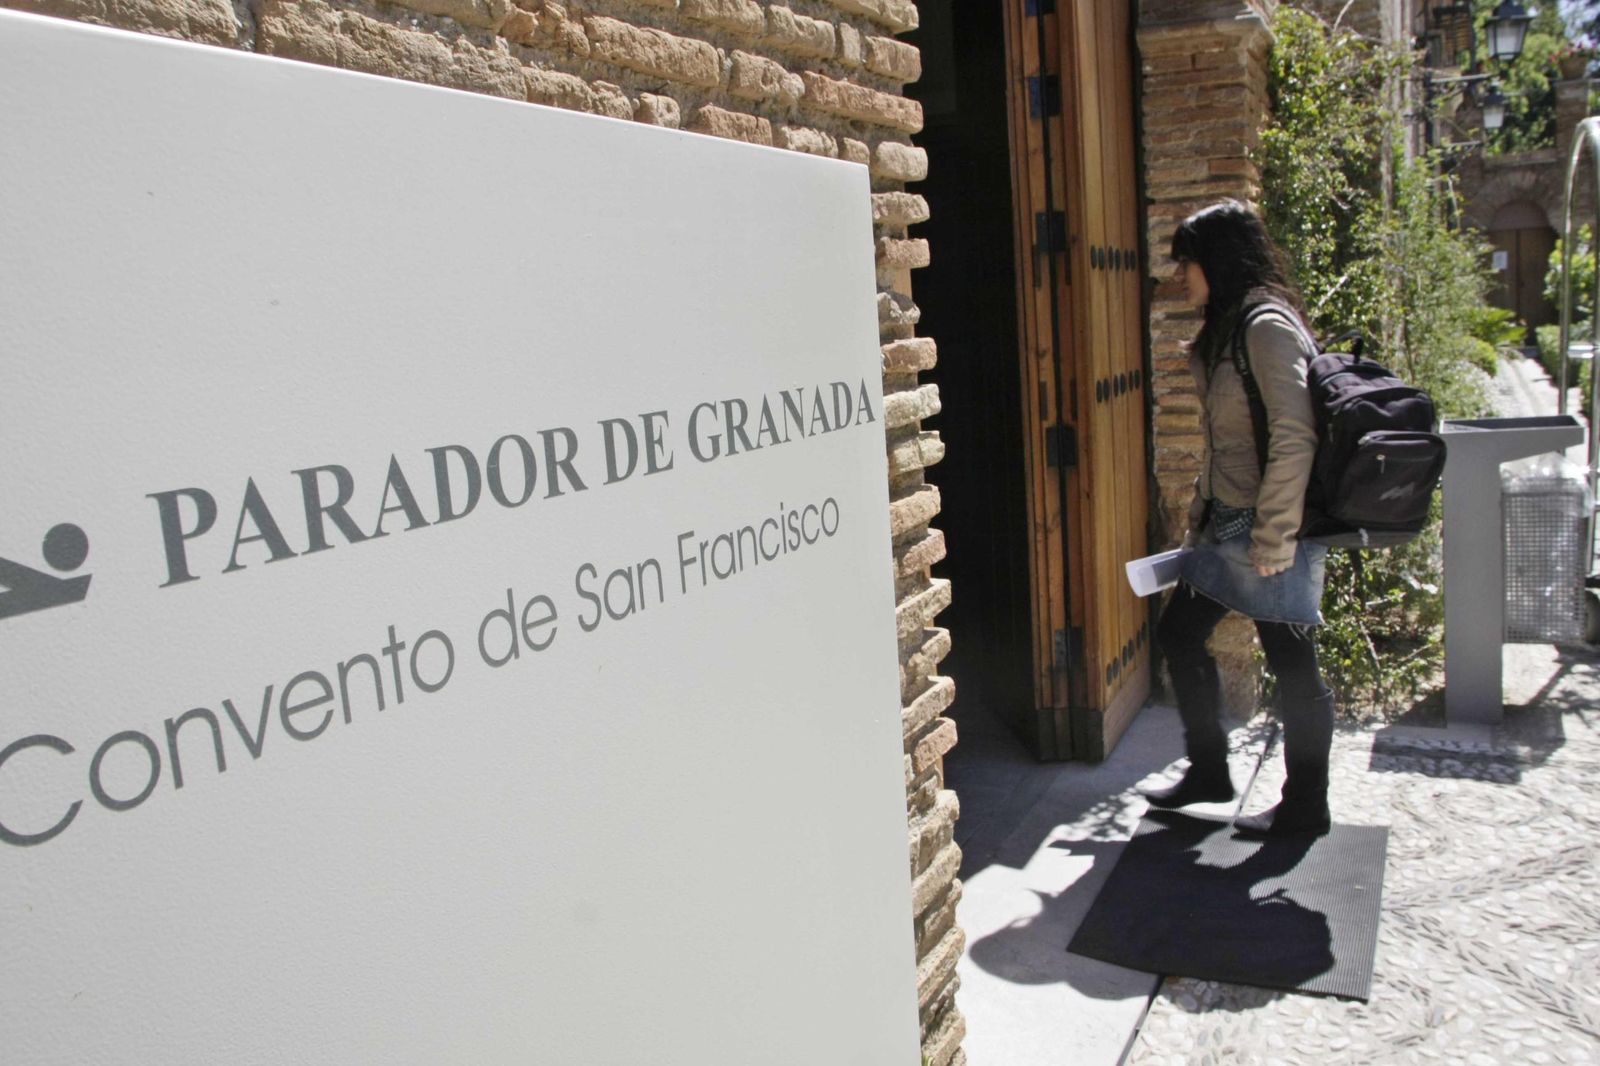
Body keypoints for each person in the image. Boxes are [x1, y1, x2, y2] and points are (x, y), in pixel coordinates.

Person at [1139, 199, 1335, 838]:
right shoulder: (1229, 326)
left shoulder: (1266, 327)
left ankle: (1307, 803)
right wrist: (1199, 513)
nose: (1182, 276)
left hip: (1270, 532)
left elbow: (1295, 434)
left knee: (1293, 663)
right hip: (1227, 528)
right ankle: (1208, 772)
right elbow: (1228, 439)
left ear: (1215, 261)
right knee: (1179, 635)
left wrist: (1276, 533)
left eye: (1188, 262)